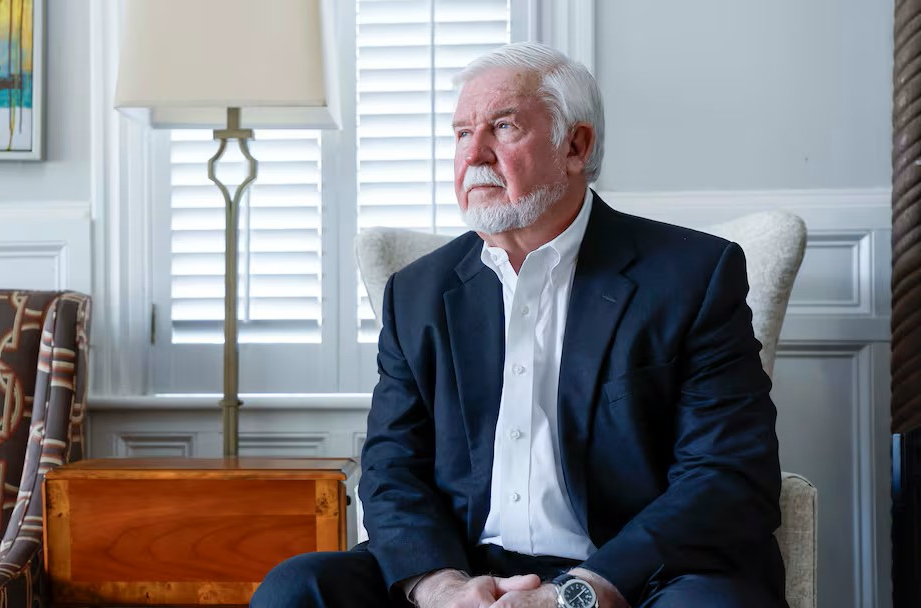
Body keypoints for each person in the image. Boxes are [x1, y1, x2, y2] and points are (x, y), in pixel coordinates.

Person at [251, 41, 787, 608]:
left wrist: (576, 593)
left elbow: (727, 475)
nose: (473, 153)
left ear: (575, 146)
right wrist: (441, 588)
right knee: (297, 589)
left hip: (638, 571)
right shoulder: (417, 293)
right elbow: (391, 468)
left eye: (502, 128)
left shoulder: (691, 276)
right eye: (461, 133)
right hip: (461, 563)